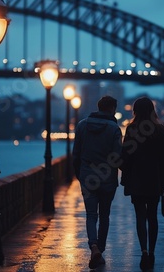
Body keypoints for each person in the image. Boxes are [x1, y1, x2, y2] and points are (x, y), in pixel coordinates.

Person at [120, 97, 164, 271]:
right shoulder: (160, 131)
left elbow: (125, 156)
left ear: (135, 111)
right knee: (152, 217)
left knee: (140, 216)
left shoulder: (131, 130)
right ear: (152, 110)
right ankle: (152, 252)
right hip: (154, 181)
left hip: (137, 180)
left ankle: (143, 251)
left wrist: (124, 170)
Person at [72, 95, 122, 269]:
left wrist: (80, 175)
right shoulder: (114, 128)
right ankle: (100, 249)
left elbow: (76, 154)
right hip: (107, 178)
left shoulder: (82, 125)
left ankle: (93, 247)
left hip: (88, 177)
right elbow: (117, 157)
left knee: (91, 215)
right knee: (104, 215)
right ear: (111, 109)